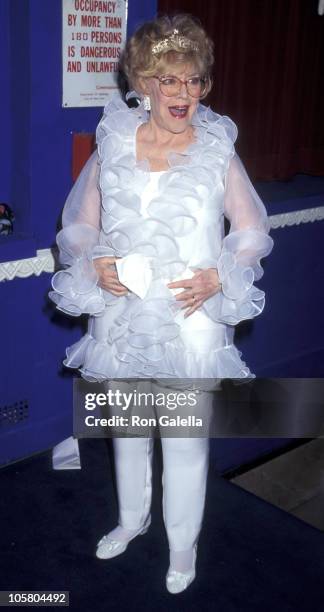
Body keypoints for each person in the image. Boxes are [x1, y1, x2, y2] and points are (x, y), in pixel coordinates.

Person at [49, 13, 274, 594]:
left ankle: (181, 547)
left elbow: (250, 229)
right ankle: (130, 520)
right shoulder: (114, 140)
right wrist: (92, 259)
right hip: (120, 311)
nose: (183, 94)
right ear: (144, 81)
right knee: (126, 430)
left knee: (182, 441)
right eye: (169, 80)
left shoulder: (216, 148)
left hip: (189, 316)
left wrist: (221, 276)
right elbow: (78, 220)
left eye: (194, 81)